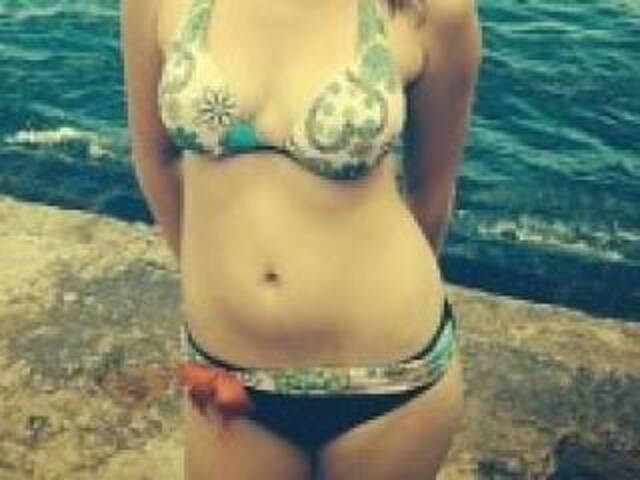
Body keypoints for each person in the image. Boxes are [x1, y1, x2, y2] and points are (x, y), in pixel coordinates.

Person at [120, 0, 481, 478]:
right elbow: (155, 159)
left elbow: (431, 188)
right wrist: (213, 286)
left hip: (390, 376)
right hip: (227, 366)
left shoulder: (432, 10)